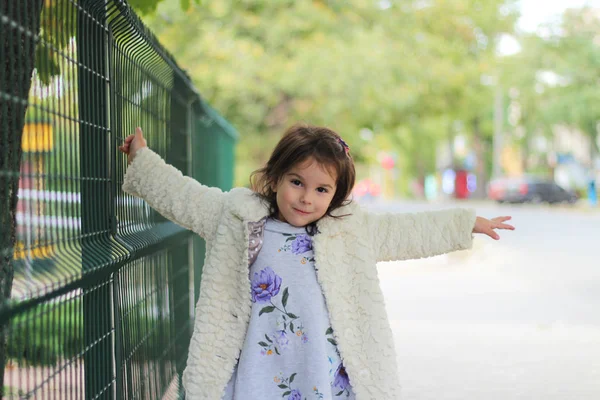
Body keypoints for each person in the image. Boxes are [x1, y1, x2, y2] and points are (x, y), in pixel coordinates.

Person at [119, 123, 514, 400]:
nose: (307, 198)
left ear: (336, 195)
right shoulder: (236, 215)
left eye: (322, 189)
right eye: (297, 183)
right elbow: (184, 195)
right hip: (255, 365)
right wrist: (141, 159)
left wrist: (466, 224)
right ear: (274, 178)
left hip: (319, 369)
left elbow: (405, 231)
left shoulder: (347, 230)